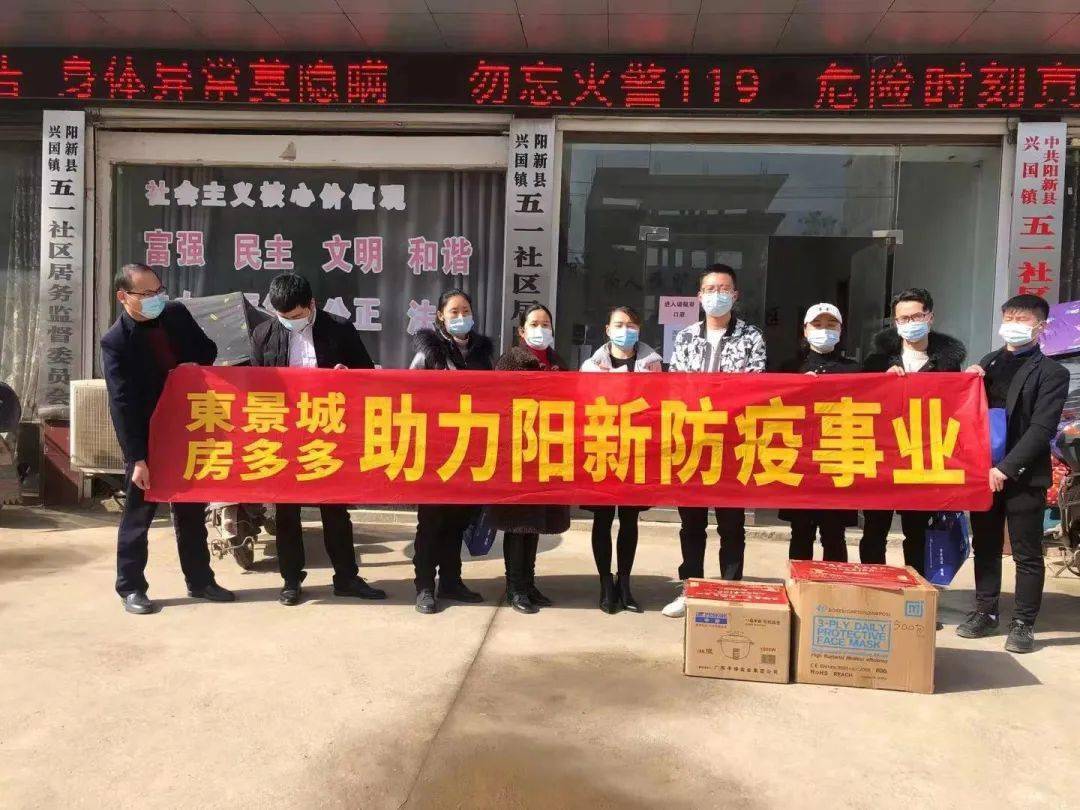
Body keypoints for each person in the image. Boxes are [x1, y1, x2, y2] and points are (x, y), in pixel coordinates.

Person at [101, 262, 235, 614]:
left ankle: (200, 580)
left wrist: (188, 367)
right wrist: (137, 458)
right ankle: (131, 587)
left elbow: (208, 350)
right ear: (123, 297)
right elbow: (122, 404)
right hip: (147, 437)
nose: (156, 299)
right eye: (146, 294)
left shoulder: (175, 314)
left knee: (191, 509)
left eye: (159, 290)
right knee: (138, 515)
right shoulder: (116, 342)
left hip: (186, 428)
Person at [250, 272, 386, 607]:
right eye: (283, 316)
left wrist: (347, 377)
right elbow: (256, 386)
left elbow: (367, 374)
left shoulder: (339, 329)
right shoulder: (264, 334)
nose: (290, 321)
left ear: (311, 304)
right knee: (285, 512)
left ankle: (346, 578)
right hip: (285, 436)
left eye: (296, 315)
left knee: (335, 509)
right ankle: (291, 580)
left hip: (328, 431)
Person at [958, 294, 1068, 654]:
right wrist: (966, 382)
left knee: (1026, 552)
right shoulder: (987, 363)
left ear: (1040, 326)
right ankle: (985, 611)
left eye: (1022, 319)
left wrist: (1006, 468)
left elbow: (1041, 428)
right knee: (985, 546)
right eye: (1009, 317)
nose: (1013, 324)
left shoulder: (1053, 373)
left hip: (1023, 475)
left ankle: (1023, 623)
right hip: (983, 473)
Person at [663, 264, 767, 618]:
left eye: (723, 289)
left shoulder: (751, 337)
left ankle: (729, 590)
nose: (716, 295)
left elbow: (754, 387)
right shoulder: (685, 337)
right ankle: (690, 587)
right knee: (691, 523)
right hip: (692, 441)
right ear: (699, 296)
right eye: (710, 289)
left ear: (735, 295)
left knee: (731, 523)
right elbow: (676, 385)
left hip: (733, 444)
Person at [860, 288, 966, 576]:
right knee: (874, 529)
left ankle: (917, 589)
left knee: (917, 531)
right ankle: (875, 585)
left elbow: (955, 407)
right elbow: (860, 404)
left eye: (916, 316)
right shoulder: (877, 361)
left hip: (924, 456)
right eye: (903, 319)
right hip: (882, 456)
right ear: (895, 323)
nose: (910, 323)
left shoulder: (947, 363)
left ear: (930, 317)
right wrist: (881, 384)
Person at [408, 289, 495, 614]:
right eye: (454, 312)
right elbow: (409, 395)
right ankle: (424, 585)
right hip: (434, 450)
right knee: (432, 521)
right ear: (441, 316)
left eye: (466, 311)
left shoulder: (482, 354)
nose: (461, 317)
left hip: (469, 449)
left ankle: (451, 581)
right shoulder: (428, 353)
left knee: (458, 520)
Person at [489, 304, 571, 614]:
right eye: (534, 324)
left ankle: (529, 582)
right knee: (517, 524)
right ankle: (515, 587)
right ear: (521, 331)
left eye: (546, 324)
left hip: (547, 452)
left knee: (535, 524)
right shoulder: (509, 361)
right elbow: (499, 405)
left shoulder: (558, 363)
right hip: (518, 453)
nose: (541, 329)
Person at [580, 305, 663, 613]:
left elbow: (660, 406)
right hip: (603, 448)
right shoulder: (591, 365)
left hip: (637, 451)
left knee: (629, 519)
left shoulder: (652, 364)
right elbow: (582, 406)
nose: (624, 330)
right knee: (602, 519)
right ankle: (605, 583)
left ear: (639, 329)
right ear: (607, 329)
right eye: (618, 324)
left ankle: (625, 583)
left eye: (630, 324)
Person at [777, 303, 860, 562]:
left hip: (837, 458)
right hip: (800, 459)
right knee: (800, 531)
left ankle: (835, 584)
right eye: (817, 324)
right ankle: (800, 584)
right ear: (805, 330)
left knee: (834, 532)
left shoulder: (855, 370)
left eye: (831, 325)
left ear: (840, 330)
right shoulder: (789, 368)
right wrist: (796, 388)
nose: (824, 330)